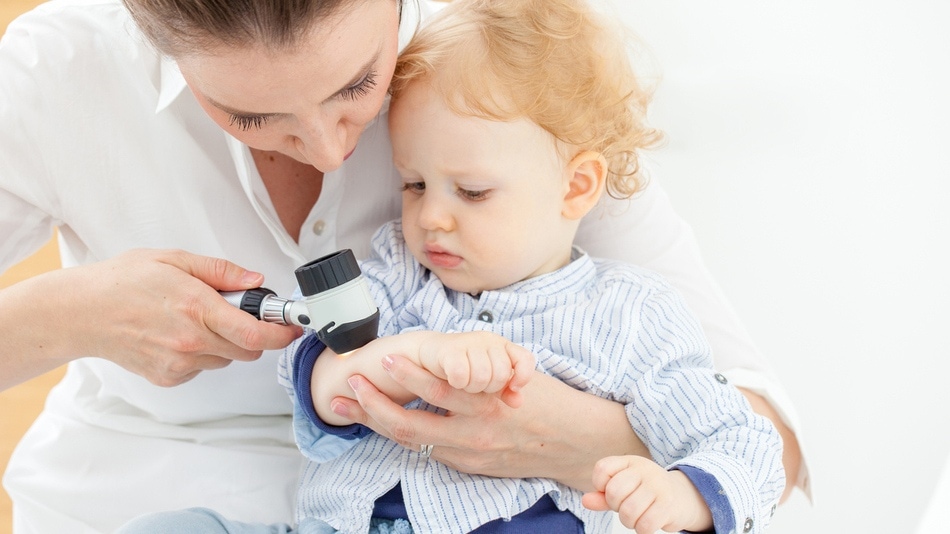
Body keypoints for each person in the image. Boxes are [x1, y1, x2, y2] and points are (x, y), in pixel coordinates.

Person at [0, 0, 806, 532]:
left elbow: (761, 430)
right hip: (134, 497)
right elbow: (328, 364)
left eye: (360, 86)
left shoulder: (506, 73)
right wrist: (65, 316)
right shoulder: (55, 73)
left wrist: (568, 442)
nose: (329, 148)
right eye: (250, 115)